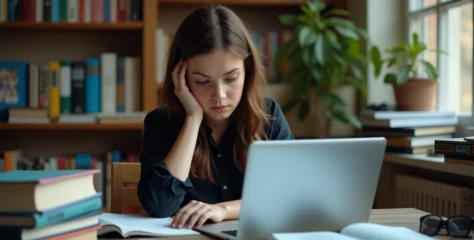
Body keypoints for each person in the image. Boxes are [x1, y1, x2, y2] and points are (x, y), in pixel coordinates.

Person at [137, 4, 294, 229]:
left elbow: (288, 197)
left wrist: (224, 210)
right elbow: (160, 205)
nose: (219, 96)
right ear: (181, 77)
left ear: (247, 72)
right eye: (202, 81)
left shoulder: (268, 117)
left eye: (231, 79)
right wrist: (193, 119)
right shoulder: (161, 123)